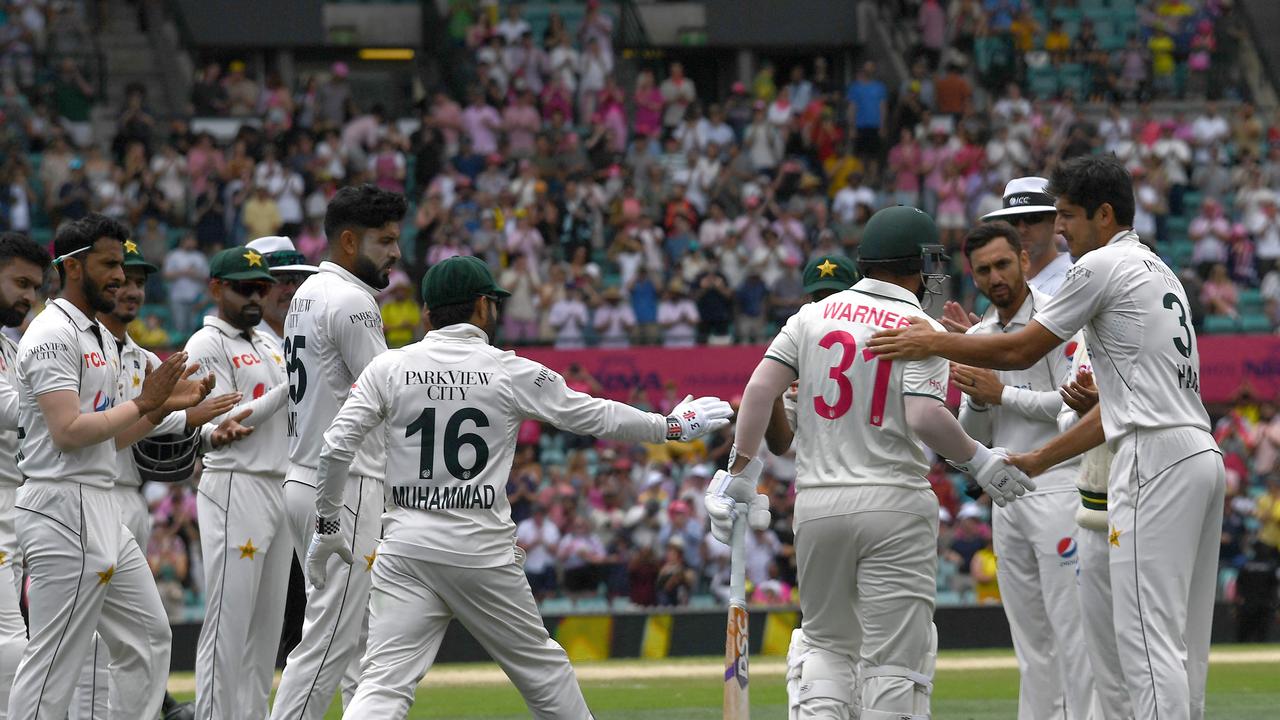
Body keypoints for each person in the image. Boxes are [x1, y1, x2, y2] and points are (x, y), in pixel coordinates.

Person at [870, 155, 1226, 720]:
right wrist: (1034, 458)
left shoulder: (1100, 266)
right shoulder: (1158, 269)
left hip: (1150, 456)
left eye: (1066, 217)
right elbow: (1111, 405)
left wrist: (933, 342)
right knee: (1176, 644)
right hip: (1195, 450)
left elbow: (1020, 351)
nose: (1058, 233)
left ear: (1104, 215)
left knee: (1143, 644)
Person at [306, 255, 733, 717]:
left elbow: (335, 447)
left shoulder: (387, 368)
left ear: (428, 313)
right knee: (544, 674)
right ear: (482, 306)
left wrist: (329, 525)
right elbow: (594, 414)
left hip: (407, 549)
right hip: (479, 551)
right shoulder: (509, 370)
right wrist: (668, 426)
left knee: (383, 687)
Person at [707, 207, 1034, 720]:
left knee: (824, 649)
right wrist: (982, 461)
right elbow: (924, 416)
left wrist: (741, 472)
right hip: (894, 504)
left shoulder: (811, 317)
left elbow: (758, 391)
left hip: (817, 506)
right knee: (894, 663)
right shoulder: (919, 325)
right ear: (919, 263)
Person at [9, 214, 211, 719]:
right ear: (73, 267)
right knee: (55, 661)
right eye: (110, 264)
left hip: (99, 503)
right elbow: (68, 431)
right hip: (61, 504)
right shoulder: (52, 334)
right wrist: (147, 403)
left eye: (122, 264)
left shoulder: (98, 335)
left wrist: (166, 409)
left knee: (147, 635)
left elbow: (114, 437)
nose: (120, 276)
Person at [73, 239, 241, 720]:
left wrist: (205, 430)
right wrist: (190, 417)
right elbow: (113, 422)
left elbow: (161, 423)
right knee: (91, 639)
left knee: (135, 635)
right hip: (85, 494)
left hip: (130, 498)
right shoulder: (84, 349)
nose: (131, 290)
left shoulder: (146, 359)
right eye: (123, 279)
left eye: (141, 282)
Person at [271, 184, 405, 720]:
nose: (395, 252)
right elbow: (391, 397)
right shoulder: (353, 302)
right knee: (328, 642)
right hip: (344, 487)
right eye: (385, 241)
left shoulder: (306, 295)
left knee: (354, 641)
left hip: (307, 475)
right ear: (349, 242)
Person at [952, 221, 1097, 719]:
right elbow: (973, 433)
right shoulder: (977, 336)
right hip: (1007, 496)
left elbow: (1070, 406)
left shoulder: (1058, 321)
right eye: (984, 270)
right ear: (973, 277)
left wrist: (1001, 393)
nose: (995, 277)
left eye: (1003, 264)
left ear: (1025, 261)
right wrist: (975, 399)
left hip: (1058, 486)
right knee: (1031, 640)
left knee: (1072, 630)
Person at [187, 247, 295, 719]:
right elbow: (229, 421)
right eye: (243, 288)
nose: (255, 297)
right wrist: (293, 383)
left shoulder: (268, 342)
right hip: (237, 483)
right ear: (217, 288)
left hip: (278, 485)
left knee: (267, 632)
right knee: (228, 625)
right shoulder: (206, 345)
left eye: (261, 288)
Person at [1057, 337, 1134, 718]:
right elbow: (1063, 418)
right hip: (1092, 506)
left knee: (1143, 647)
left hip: (1139, 501)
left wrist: (1105, 411)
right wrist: (1084, 412)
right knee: (1101, 653)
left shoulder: (1143, 324)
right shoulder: (1083, 340)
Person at [0, 233, 50, 718]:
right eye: (19, 283)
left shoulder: (10, 348)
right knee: (11, 639)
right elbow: (15, 411)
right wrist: (64, 402)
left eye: (34, 288)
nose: (28, 298)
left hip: (14, 503)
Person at [245, 235, 320, 348]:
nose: (292, 290)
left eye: (296, 280)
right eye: (282, 280)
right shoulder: (242, 343)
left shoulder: (315, 334)